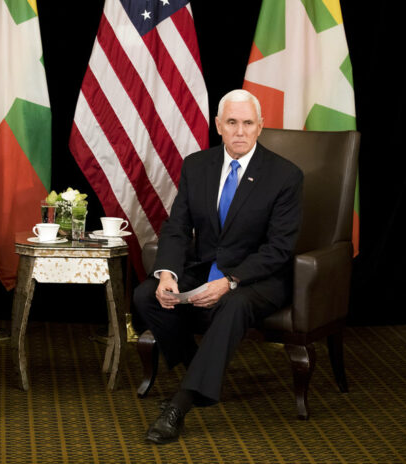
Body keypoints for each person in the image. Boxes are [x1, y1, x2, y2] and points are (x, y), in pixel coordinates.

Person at [133, 89, 303, 444]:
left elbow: (279, 248)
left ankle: (180, 403)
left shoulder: (285, 175)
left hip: (260, 276)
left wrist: (230, 281)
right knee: (147, 295)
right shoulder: (197, 165)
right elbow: (177, 226)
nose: (240, 131)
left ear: (260, 127)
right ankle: (200, 369)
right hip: (206, 264)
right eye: (232, 123)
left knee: (233, 302)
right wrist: (167, 273)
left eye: (247, 123)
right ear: (219, 126)